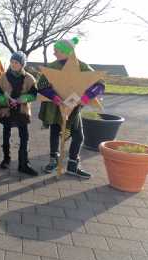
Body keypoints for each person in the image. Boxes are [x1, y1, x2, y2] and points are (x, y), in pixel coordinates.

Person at [38, 37, 105, 179]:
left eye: (57, 50)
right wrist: (56, 98)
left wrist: (84, 98)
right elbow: (42, 86)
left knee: (78, 136)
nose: (54, 53)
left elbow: (99, 84)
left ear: (67, 51)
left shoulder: (82, 66)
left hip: (74, 106)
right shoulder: (52, 66)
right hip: (56, 107)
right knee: (55, 132)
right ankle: (53, 160)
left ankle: (72, 165)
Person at [0, 51, 38, 176]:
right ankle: (6, 159)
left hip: (22, 111)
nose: (13, 64)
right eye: (12, 62)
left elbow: (34, 94)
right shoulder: (3, 77)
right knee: (6, 134)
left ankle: (23, 163)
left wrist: (24, 98)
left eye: (16, 63)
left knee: (24, 136)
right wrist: (4, 100)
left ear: (22, 64)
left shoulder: (29, 78)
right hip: (6, 110)